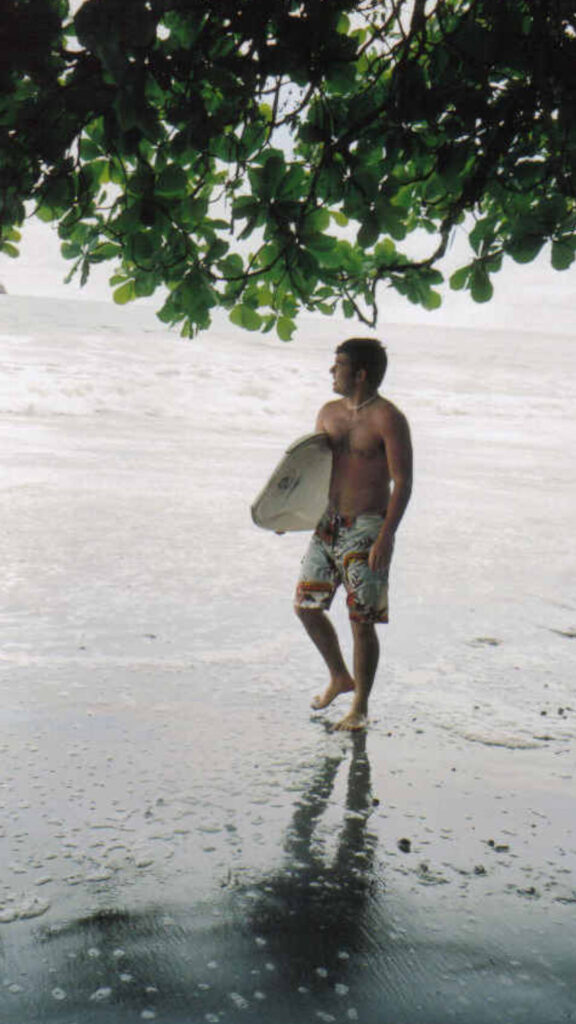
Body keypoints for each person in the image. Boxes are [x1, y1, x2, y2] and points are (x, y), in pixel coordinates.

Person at [294, 337, 413, 731]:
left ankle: (359, 706)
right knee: (306, 606)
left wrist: (387, 537)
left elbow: (403, 481)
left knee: (361, 620)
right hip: (327, 523)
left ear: (360, 374)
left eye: (339, 364)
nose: (332, 371)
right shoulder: (328, 413)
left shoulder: (388, 419)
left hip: (366, 528)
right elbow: (310, 471)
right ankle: (339, 677)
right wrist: (288, 513)